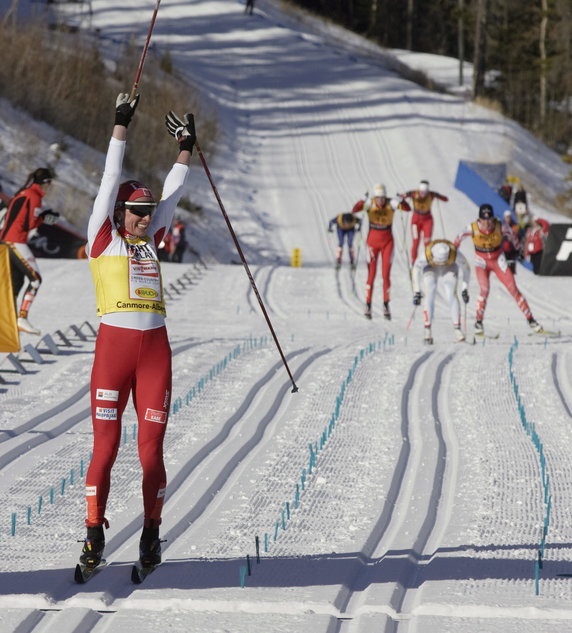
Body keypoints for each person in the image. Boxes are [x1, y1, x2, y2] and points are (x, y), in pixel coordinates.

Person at [79, 92, 195, 574]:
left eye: (149, 212)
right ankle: (92, 534)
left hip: (155, 354)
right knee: (105, 448)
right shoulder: (103, 237)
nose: (146, 219)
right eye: (137, 212)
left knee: (151, 450)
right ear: (120, 212)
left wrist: (186, 145)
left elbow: (173, 191)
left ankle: (151, 534)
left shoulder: (150, 237)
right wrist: (119, 126)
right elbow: (109, 181)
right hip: (114, 350)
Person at [454, 203, 542, 335]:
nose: (487, 224)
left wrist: (518, 250)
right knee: (484, 290)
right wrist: (453, 253)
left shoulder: (501, 226)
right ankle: (478, 323)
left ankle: (531, 320)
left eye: (490, 220)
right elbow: (458, 238)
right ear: (479, 220)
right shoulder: (472, 228)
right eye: (484, 221)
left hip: (498, 260)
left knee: (513, 289)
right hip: (482, 262)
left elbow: (513, 236)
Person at [0, 168, 59, 335]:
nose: (49, 188)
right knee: (35, 280)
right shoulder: (34, 197)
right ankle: (21, 318)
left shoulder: (25, 192)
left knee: (15, 284)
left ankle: (7, 323)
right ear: (45, 183)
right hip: (15, 241)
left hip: (6, 241)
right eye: (49, 184)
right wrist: (44, 217)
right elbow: (28, 225)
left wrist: (43, 216)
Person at [351, 183, 410, 320]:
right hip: (372, 244)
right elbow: (355, 210)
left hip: (387, 243)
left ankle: (385, 305)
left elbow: (407, 209)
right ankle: (368, 304)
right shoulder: (369, 204)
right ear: (374, 197)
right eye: (378, 198)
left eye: (382, 198)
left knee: (385, 275)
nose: (380, 201)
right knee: (371, 275)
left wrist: (402, 200)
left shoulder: (391, 203)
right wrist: (361, 200)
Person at [412, 239, 470, 344]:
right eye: (440, 261)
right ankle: (427, 330)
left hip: (449, 267)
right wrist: (417, 291)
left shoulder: (454, 253)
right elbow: (416, 269)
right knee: (430, 290)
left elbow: (466, 268)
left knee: (451, 293)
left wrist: (464, 289)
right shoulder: (427, 254)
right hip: (430, 267)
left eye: (443, 260)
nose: (441, 263)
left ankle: (457, 329)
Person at [401, 179, 448, 264]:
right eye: (421, 192)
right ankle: (413, 262)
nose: (423, 195)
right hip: (416, 221)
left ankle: (428, 260)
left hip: (427, 220)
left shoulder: (431, 194)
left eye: (425, 192)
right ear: (419, 190)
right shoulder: (413, 193)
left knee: (427, 242)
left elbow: (445, 199)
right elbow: (402, 196)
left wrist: (440, 197)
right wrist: (401, 197)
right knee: (416, 242)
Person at [501, 209, 520, 274]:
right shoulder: (502, 225)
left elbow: (516, 235)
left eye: (509, 217)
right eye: (507, 217)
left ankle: (512, 272)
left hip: (512, 246)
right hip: (504, 246)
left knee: (512, 260)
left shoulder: (514, 225)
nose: (508, 218)